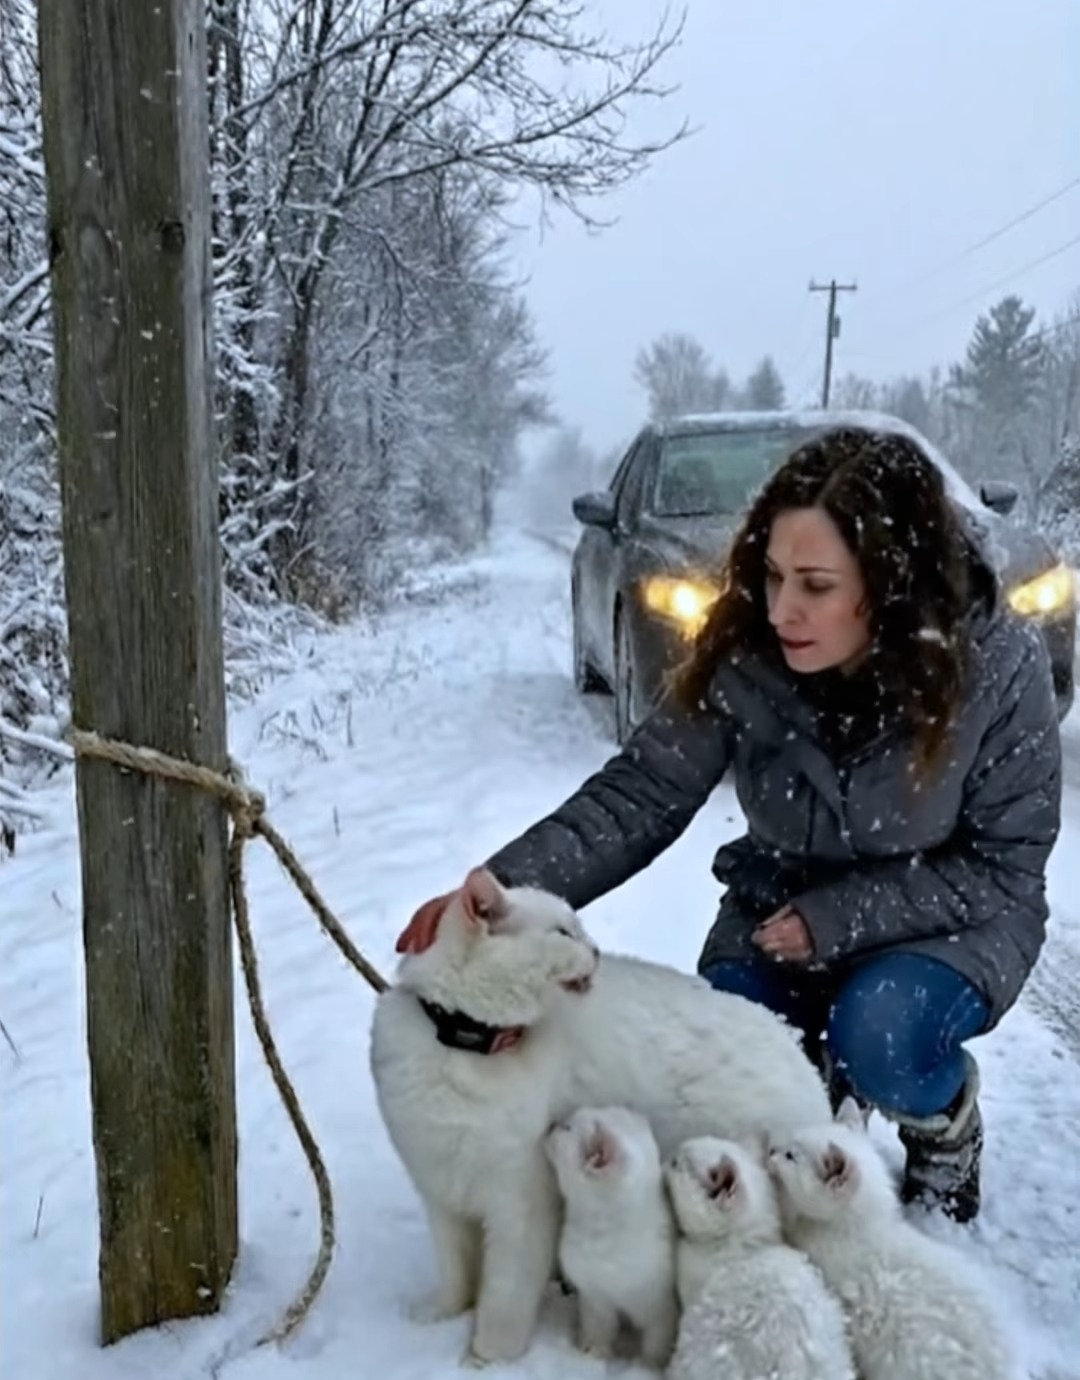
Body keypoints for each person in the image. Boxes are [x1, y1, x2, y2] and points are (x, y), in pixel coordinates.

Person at [397, 427, 1062, 1223]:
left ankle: (944, 1125)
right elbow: (640, 793)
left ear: (892, 584)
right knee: (727, 1068)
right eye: (775, 575)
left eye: (815, 584)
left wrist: (838, 919)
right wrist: (500, 897)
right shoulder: (749, 649)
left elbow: (1004, 868)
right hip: (777, 907)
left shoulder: (996, 665)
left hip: (950, 920)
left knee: (880, 1033)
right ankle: (816, 1087)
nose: (783, 608)